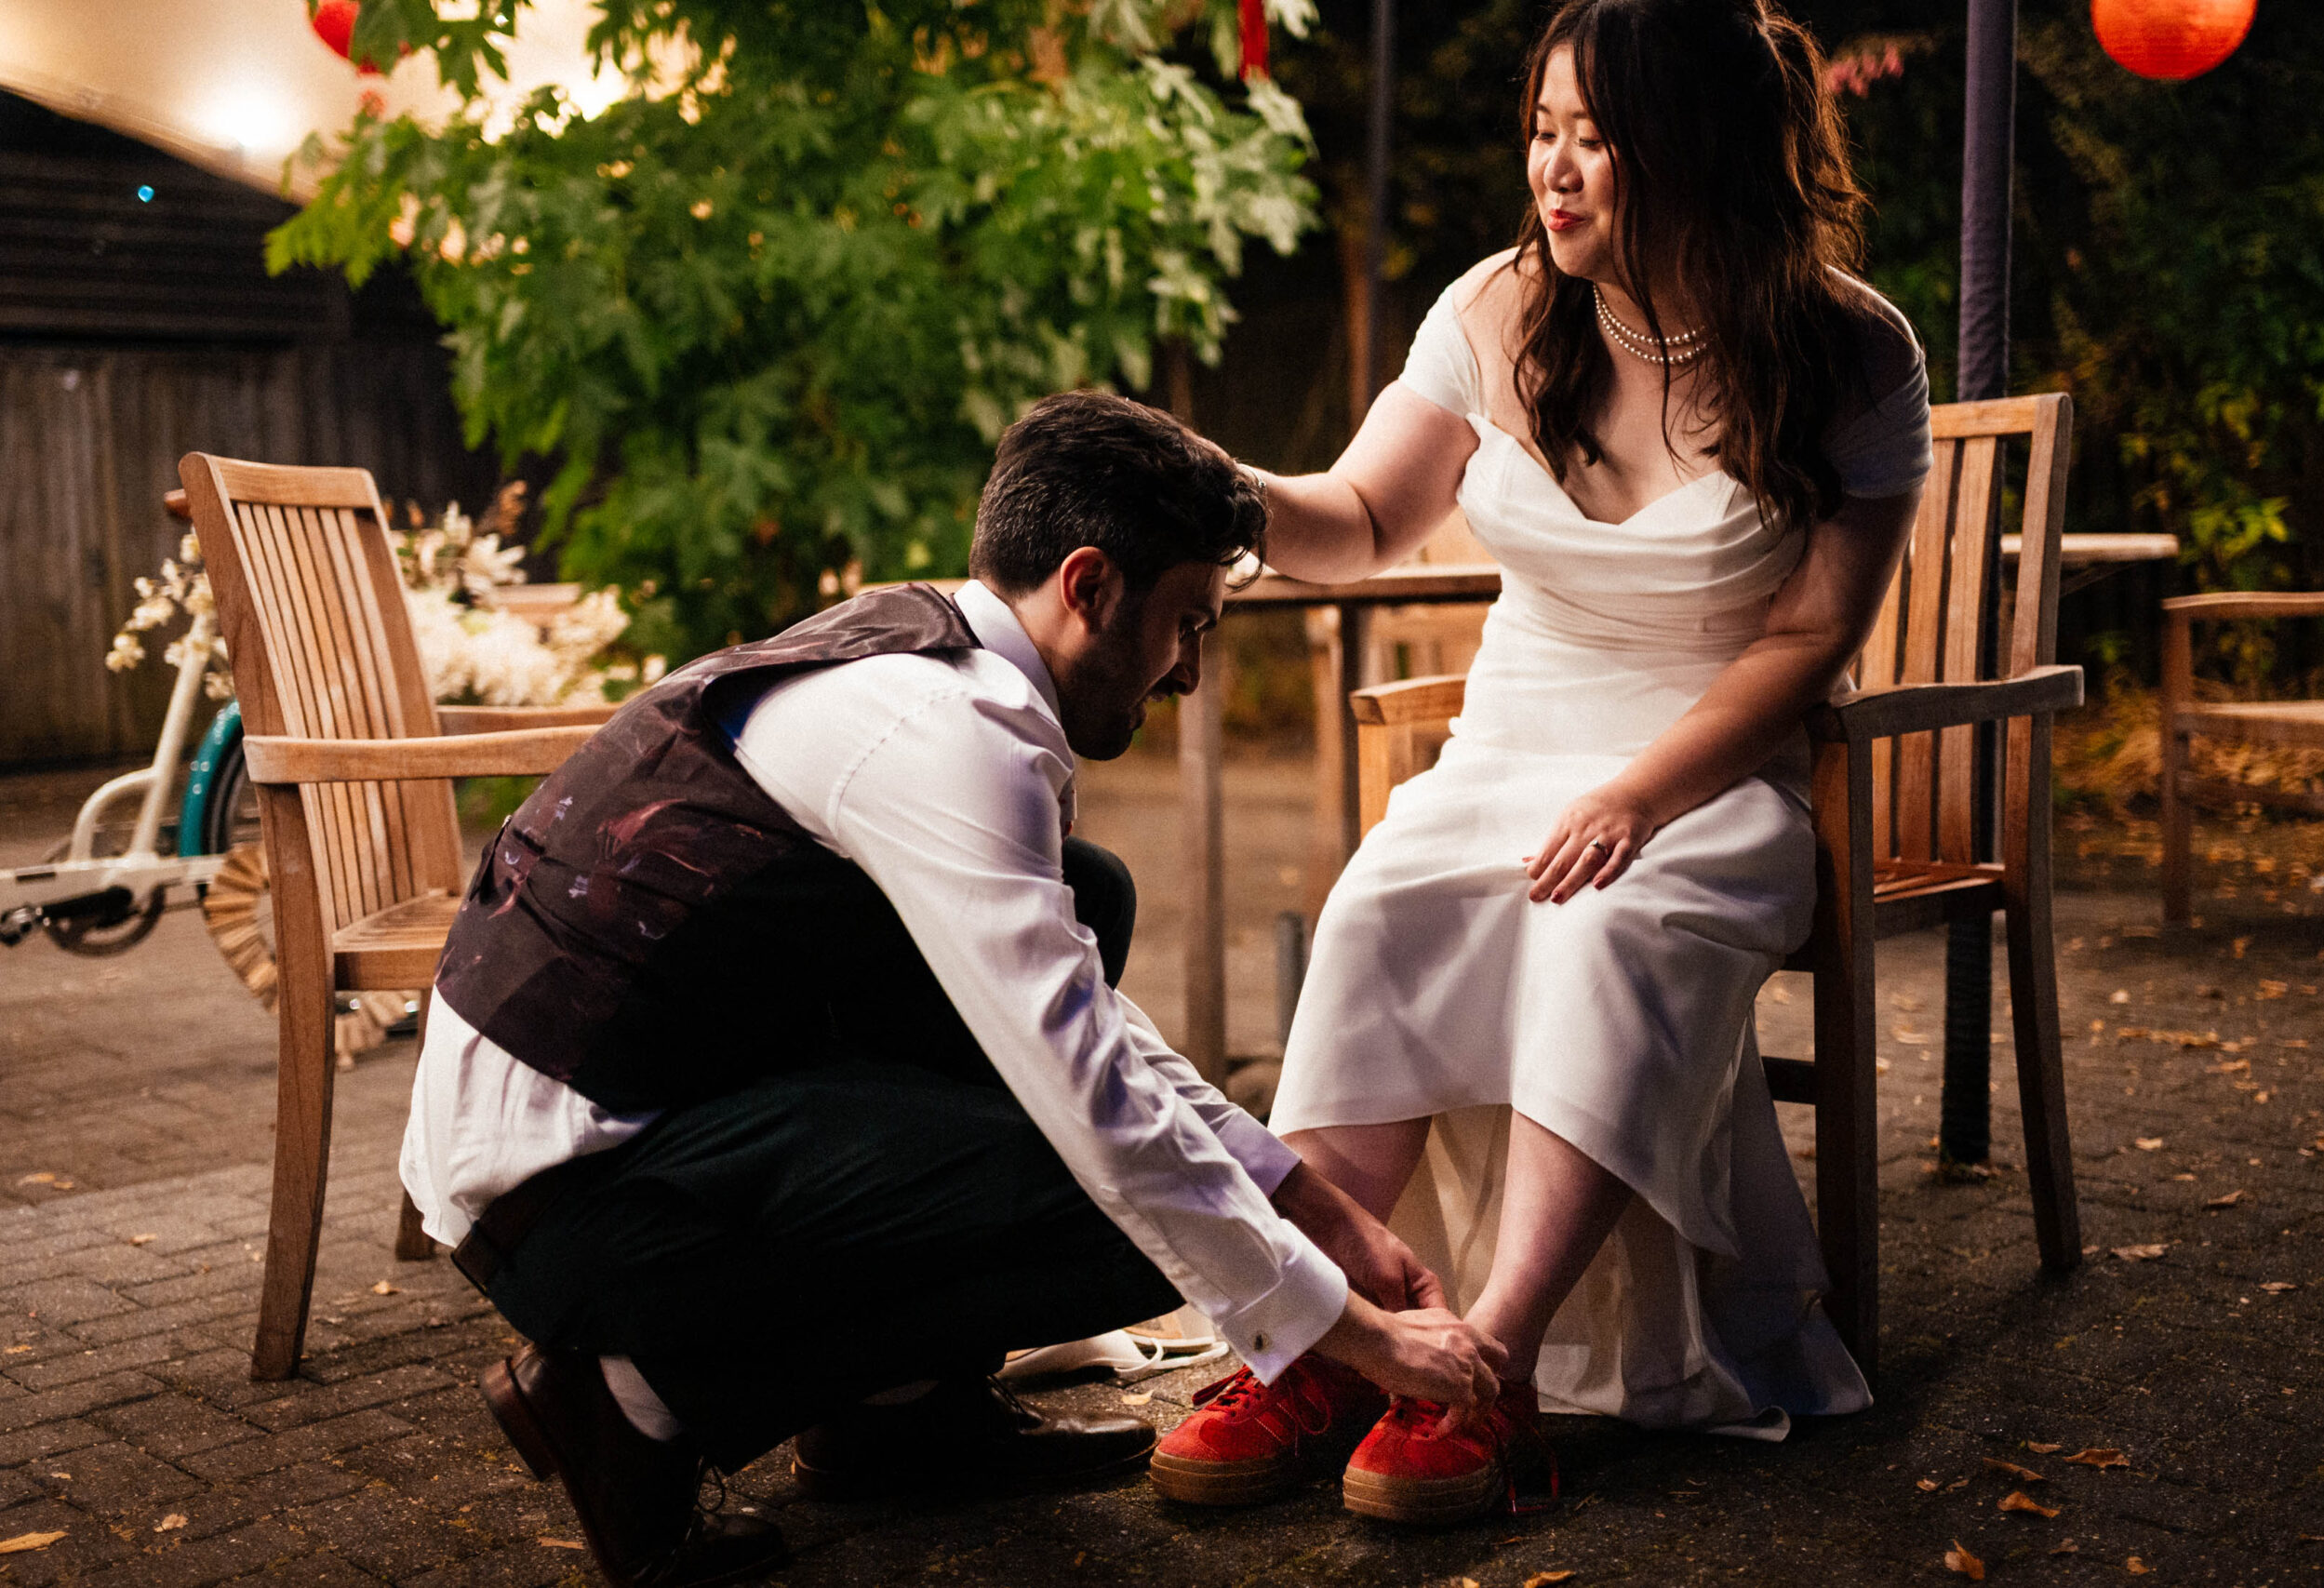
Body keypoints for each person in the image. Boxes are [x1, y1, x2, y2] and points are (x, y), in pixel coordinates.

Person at [399, 390, 1504, 1588]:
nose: (1190, 669)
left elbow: (1090, 1027)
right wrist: (1359, 1335)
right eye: (1188, 621)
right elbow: (1108, 1116)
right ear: (1087, 587)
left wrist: (1322, 1208)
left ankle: (896, 1413)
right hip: (566, 1199)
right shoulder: (950, 731)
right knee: (1128, 1210)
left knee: (1090, 902)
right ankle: (629, 1403)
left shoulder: (930, 645)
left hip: (641, 1113)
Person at [1147, 0, 1932, 1525]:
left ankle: (1488, 1371)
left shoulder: (1850, 351)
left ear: (1690, 149)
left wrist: (1643, 794)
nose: (1551, 173)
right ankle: (1316, 1334)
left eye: (1592, 139)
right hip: (1512, 735)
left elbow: (1813, 638)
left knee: (1609, 925)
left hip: (1710, 769)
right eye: (1542, 132)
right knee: (1383, 899)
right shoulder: (1497, 310)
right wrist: (1224, 488)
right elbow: (1368, 519)